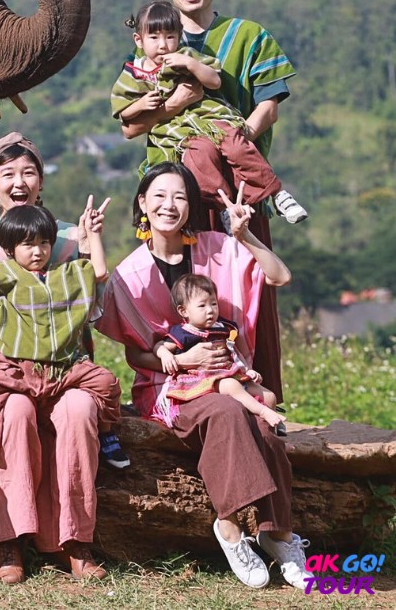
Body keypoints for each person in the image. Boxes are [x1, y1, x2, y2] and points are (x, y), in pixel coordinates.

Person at [95, 162, 314, 591]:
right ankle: (229, 526)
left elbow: (280, 275)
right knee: (227, 411)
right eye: (159, 196)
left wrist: (245, 237)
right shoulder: (129, 274)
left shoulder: (219, 248)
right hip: (170, 388)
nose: (169, 205)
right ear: (142, 203)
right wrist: (181, 360)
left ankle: (277, 534)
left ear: (191, 205)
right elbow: (134, 353)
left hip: (229, 375)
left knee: (265, 431)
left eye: (179, 196)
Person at [118, 0, 298, 401]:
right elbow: (130, 126)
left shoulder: (248, 35)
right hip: (174, 196)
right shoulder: (152, 41)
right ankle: (181, 399)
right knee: (179, 295)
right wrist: (174, 105)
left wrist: (229, 145)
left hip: (238, 190)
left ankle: (259, 399)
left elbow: (269, 106)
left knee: (250, 292)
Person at [0, 132, 113, 584]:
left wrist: (91, 240)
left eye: (29, 172)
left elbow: (94, 300)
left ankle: (76, 540)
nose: (19, 182)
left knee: (78, 409)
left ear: (41, 181)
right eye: (7, 173)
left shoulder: (67, 238)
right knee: (14, 412)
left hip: (64, 370)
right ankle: (8, 541)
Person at [0, 201, 125, 504]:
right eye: (28, 244)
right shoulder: (5, 274)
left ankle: (106, 433)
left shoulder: (67, 273)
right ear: (10, 250)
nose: (38, 251)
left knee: (107, 383)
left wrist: (93, 234)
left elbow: (99, 271)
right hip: (16, 368)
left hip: (63, 369)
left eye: (44, 243)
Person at [111, 1, 307, 225]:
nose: (163, 45)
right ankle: (225, 209)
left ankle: (276, 193)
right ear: (139, 40)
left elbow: (215, 81)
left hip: (210, 119)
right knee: (200, 155)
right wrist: (144, 104)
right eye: (154, 38)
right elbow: (123, 115)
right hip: (178, 133)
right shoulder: (134, 72)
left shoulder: (187, 55)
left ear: (179, 36)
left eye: (170, 37)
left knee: (236, 145)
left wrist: (190, 64)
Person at [154, 273, 284, 431]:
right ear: (184, 311)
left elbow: (234, 351)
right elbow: (159, 345)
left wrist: (247, 369)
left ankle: (270, 431)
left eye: (214, 304)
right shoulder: (184, 333)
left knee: (269, 396)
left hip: (232, 374)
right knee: (231, 386)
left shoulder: (224, 328)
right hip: (204, 379)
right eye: (202, 306)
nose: (210, 310)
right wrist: (165, 355)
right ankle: (263, 412)